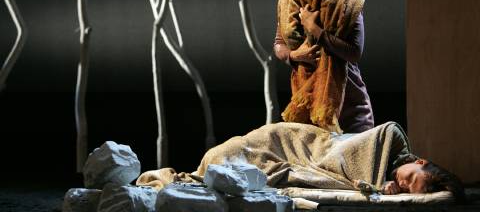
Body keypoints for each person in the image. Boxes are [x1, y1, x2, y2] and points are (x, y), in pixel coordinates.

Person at [137, 121, 464, 202]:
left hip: (302, 162)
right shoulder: (390, 137)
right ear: (419, 161)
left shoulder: (390, 184)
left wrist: (384, 188)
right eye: (411, 177)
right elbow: (339, 154)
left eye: (410, 190)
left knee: (243, 170)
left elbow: (351, 182)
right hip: (301, 143)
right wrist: (377, 181)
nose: (404, 184)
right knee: (237, 152)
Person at [274, 0, 373, 133]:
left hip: (349, 113)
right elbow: (279, 43)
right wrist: (293, 56)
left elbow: (354, 53)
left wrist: (315, 30)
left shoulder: (347, 0)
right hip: (306, 110)